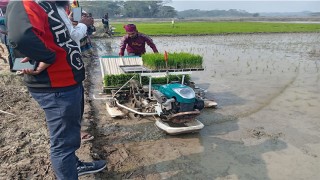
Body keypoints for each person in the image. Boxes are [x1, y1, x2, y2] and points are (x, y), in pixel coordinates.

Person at [6, 1, 106, 179]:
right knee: (63, 143)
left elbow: (61, 36)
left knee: (69, 135)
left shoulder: (53, 5)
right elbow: (20, 37)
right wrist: (47, 57)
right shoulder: (27, 2)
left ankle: (73, 165)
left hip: (68, 81)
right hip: (56, 87)